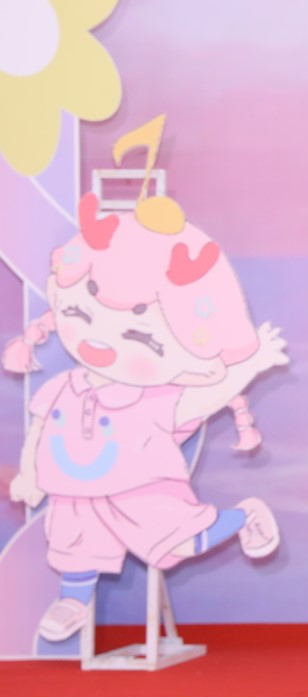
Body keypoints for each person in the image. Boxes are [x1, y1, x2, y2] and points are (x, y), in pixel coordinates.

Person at [4, 193, 288, 643]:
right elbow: (40, 430)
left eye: (140, 336)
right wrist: (30, 476)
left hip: (142, 491)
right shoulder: (63, 386)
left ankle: (242, 517)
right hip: (74, 493)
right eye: (79, 313)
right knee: (75, 546)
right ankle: (73, 599)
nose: (100, 343)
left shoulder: (156, 399)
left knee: (179, 541)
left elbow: (206, 399)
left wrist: (250, 366)